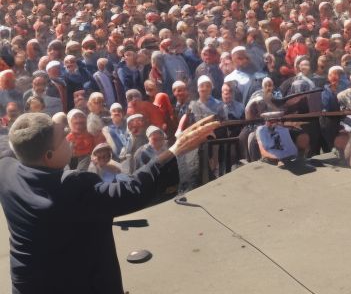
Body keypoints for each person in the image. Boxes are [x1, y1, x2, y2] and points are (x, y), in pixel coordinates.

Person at [0, 112, 218, 294]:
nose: (69, 137)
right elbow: (133, 190)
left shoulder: (6, 170)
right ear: (49, 155)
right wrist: (175, 149)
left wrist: (51, 124)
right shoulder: (70, 189)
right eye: (63, 138)